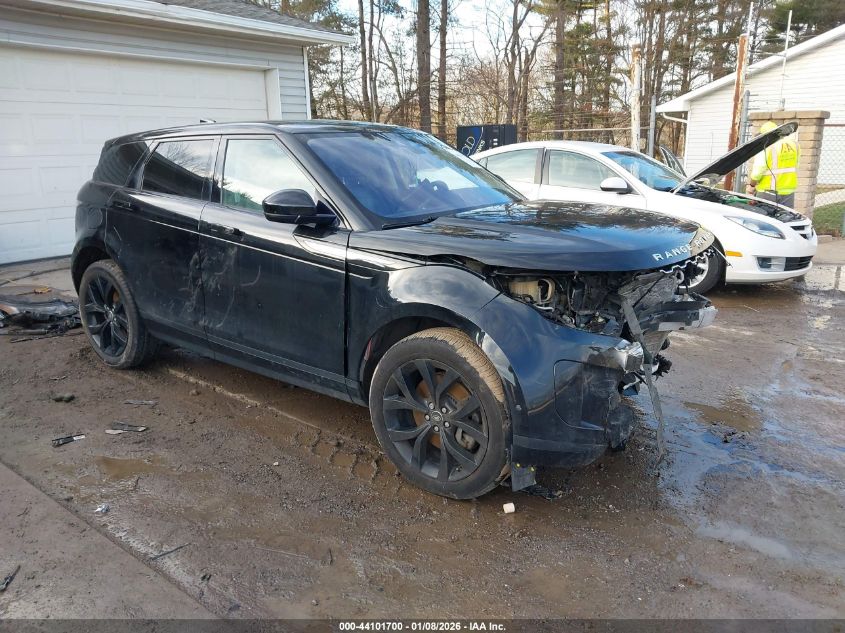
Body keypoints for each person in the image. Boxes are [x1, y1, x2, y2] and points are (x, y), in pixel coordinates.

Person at [746, 120, 800, 208]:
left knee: (764, 219)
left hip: (768, 191)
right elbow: (796, 165)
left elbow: (758, 170)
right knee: (784, 218)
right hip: (788, 191)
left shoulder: (766, 145)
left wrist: (751, 185)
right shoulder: (794, 144)